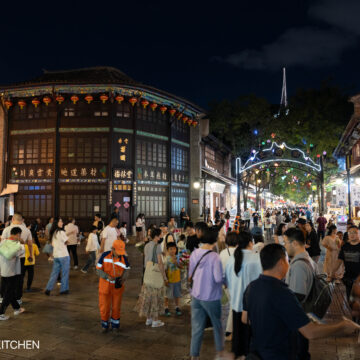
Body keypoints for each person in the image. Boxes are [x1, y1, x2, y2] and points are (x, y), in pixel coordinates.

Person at [242, 243, 360, 360]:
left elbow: (245, 318)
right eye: (287, 260)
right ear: (281, 263)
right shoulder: (283, 293)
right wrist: (342, 326)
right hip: (278, 354)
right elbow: (309, 332)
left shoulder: (251, 287)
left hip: (257, 353)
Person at [189, 227, 232, 360]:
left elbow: (190, 274)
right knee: (218, 325)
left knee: (197, 328)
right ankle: (220, 353)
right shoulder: (214, 256)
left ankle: (194, 356)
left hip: (196, 295)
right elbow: (218, 278)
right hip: (211, 296)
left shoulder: (195, 253)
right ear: (214, 239)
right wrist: (226, 281)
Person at [225, 231, 262, 359]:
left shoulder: (231, 259)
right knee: (251, 342)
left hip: (236, 305)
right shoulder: (256, 258)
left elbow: (228, 282)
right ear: (250, 242)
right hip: (252, 308)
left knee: (239, 342)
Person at [284, 228, 318, 360]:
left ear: (294, 243)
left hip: (298, 319)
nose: (285, 246)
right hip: (303, 317)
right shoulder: (307, 259)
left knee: (298, 352)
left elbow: (298, 295)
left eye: (286, 242)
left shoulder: (299, 265)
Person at [136, 228, 168, 328]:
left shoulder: (146, 245)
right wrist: (164, 276)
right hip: (155, 274)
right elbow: (160, 263)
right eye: (161, 234)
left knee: (149, 297)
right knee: (155, 298)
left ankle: (149, 319)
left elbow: (147, 258)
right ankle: (155, 320)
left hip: (147, 273)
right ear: (157, 236)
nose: (162, 235)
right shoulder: (157, 246)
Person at [96, 239, 130, 332]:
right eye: (118, 251)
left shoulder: (124, 258)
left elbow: (127, 269)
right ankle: (105, 325)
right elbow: (98, 270)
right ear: (113, 249)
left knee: (116, 306)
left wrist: (124, 278)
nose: (119, 254)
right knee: (104, 306)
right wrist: (106, 276)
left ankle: (115, 325)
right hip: (104, 286)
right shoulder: (104, 255)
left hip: (117, 287)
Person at [1, 212, 32, 305]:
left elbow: (2, 243)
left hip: (8, 257)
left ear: (13, 219)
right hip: (21, 258)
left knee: (5, 277)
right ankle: (18, 298)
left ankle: (2, 296)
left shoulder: (7, 229)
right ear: (21, 220)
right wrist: (30, 255)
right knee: (19, 278)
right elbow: (30, 244)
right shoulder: (27, 230)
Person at [0, 227, 25, 320]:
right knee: (9, 293)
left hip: (3, 271)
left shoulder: (2, 242)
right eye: (20, 235)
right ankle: (1, 313)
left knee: (9, 292)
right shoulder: (19, 245)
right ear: (18, 234)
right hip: (12, 272)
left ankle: (17, 308)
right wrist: (22, 243)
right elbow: (21, 253)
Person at [219, 231, 239, 341]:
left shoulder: (222, 253)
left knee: (229, 306)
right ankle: (228, 331)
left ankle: (228, 330)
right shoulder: (239, 253)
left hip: (224, 284)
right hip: (235, 284)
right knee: (233, 307)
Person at [44, 218, 70, 296]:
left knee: (54, 273)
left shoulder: (53, 233)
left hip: (56, 255)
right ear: (57, 223)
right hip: (64, 255)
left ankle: (48, 288)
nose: (62, 222)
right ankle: (64, 289)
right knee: (65, 273)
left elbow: (52, 244)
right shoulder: (61, 232)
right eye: (60, 221)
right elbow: (67, 242)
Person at [333, 225, 360, 300]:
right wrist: (332, 273)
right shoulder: (345, 247)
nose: (352, 234)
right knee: (350, 301)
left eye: (354, 232)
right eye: (350, 232)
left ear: (358, 234)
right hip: (348, 279)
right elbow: (339, 261)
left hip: (358, 280)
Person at [164, 242, 182, 316]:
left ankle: (177, 307)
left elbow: (181, 267)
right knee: (167, 295)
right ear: (167, 250)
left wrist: (176, 263)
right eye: (170, 249)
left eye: (174, 249)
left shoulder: (178, 257)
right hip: (169, 281)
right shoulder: (166, 259)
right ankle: (166, 308)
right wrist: (165, 279)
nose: (172, 250)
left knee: (177, 294)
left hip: (177, 280)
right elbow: (164, 270)